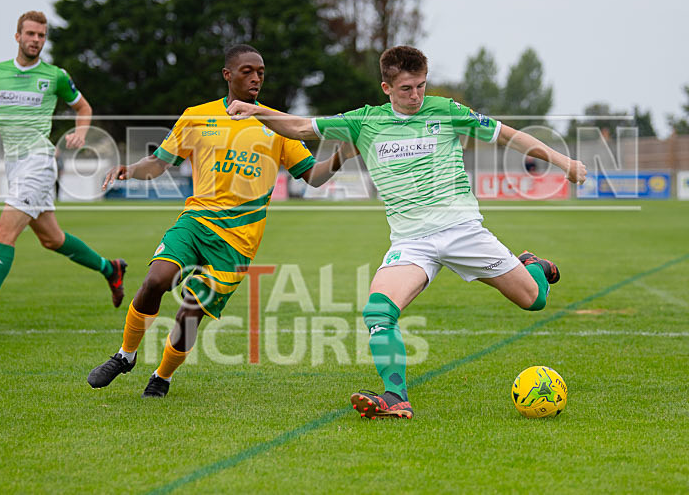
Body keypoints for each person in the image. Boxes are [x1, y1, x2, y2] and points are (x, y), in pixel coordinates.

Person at [227, 45, 587, 419]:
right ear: (386, 87)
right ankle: (395, 397)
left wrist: (564, 162)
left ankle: (532, 267)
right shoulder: (365, 121)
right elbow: (301, 126)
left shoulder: (447, 111)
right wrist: (256, 111)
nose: (415, 95)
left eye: (421, 86)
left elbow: (508, 136)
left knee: (534, 300)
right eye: (406, 89)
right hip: (412, 242)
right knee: (378, 311)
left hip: (462, 230)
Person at [86, 44, 349, 398]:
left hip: (239, 240)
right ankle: (125, 356)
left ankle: (162, 376)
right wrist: (130, 170)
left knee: (190, 312)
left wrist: (340, 156)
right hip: (196, 221)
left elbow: (312, 177)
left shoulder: (277, 124)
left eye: (261, 72)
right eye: (247, 71)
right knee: (156, 279)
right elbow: (161, 162)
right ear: (227, 74)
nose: (256, 78)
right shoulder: (197, 116)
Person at [0, 11, 126, 332]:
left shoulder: (55, 75)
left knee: (2, 234)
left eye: (41, 35)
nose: (36, 40)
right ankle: (111, 269)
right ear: (18, 37)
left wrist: (81, 132)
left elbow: (83, 107)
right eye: (30, 34)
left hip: (38, 161)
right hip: (15, 165)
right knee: (52, 239)